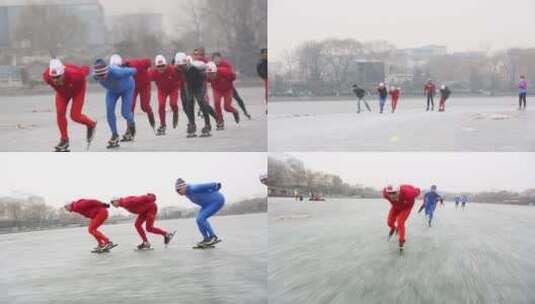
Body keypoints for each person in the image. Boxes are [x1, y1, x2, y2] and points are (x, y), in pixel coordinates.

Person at [43, 59, 97, 152]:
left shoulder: (77, 75)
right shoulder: (47, 76)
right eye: (53, 77)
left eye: (58, 77)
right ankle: (64, 140)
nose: (55, 80)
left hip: (78, 92)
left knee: (75, 116)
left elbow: (85, 70)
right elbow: (51, 77)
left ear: (63, 74)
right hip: (62, 93)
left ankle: (91, 124)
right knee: (60, 112)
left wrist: (88, 67)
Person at [93, 58, 137, 149]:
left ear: (107, 71)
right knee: (109, 110)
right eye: (99, 75)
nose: (101, 77)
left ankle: (131, 122)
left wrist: (125, 68)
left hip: (127, 88)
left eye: (103, 74)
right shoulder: (95, 75)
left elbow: (134, 70)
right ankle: (114, 135)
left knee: (125, 113)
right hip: (112, 91)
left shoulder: (117, 72)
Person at [111, 193, 175, 249]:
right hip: (143, 211)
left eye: (112, 202)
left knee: (149, 228)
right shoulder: (123, 203)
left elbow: (141, 198)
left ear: (117, 200)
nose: (112, 204)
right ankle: (146, 243)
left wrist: (152, 198)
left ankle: (167, 234)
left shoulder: (126, 202)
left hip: (151, 208)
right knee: (137, 225)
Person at [175, 178, 225, 247]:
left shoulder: (194, 188)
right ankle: (206, 239)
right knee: (198, 220)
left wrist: (216, 186)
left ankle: (213, 237)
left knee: (201, 219)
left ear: (184, 187)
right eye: (177, 191)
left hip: (216, 201)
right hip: (206, 205)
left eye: (179, 190)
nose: (178, 192)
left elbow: (210, 185)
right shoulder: (186, 193)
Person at [179, 53, 217, 137]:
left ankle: (208, 125)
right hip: (189, 85)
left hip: (199, 85)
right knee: (189, 102)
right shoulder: (180, 67)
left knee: (201, 102)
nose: (182, 68)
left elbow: (209, 72)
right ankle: (192, 124)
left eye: (184, 66)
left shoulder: (197, 67)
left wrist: (209, 73)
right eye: (181, 66)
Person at [118, 55, 156, 130]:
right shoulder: (120, 72)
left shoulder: (137, 64)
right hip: (133, 87)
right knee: (130, 107)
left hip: (145, 85)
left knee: (144, 106)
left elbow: (148, 61)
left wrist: (148, 68)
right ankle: (130, 129)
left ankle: (150, 114)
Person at [149, 55, 183, 135]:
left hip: (173, 89)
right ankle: (163, 125)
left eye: (163, 66)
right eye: (159, 66)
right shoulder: (152, 72)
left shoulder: (172, 69)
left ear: (166, 65)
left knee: (173, 103)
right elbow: (144, 80)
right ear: (156, 66)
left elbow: (181, 77)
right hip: (162, 90)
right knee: (161, 105)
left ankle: (175, 113)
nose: (161, 68)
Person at [212, 52, 251, 119]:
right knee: (217, 103)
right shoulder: (211, 66)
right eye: (214, 59)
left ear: (221, 58)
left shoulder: (226, 64)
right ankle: (220, 119)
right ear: (212, 60)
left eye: (218, 58)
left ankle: (245, 112)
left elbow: (232, 75)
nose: (216, 60)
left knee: (237, 98)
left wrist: (227, 77)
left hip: (228, 87)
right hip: (218, 88)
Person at [383, 184, 421, 251]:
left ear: (398, 191)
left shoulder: (409, 193)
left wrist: (415, 192)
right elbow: (386, 192)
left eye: (394, 193)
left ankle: (402, 240)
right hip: (396, 207)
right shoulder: (386, 194)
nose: (391, 195)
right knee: (389, 222)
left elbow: (418, 190)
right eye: (389, 193)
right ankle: (393, 228)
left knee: (400, 222)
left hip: (406, 208)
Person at [206, 61, 240, 130]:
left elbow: (233, 77)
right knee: (216, 103)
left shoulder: (225, 71)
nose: (211, 76)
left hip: (228, 89)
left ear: (216, 71)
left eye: (213, 74)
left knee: (227, 107)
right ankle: (220, 121)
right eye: (209, 74)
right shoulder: (207, 76)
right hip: (217, 90)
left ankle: (235, 112)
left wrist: (229, 83)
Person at [257, 48, 268, 113]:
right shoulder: (260, 62)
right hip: (266, 79)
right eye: (264, 53)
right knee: (266, 93)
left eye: (266, 53)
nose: (265, 54)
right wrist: (263, 77)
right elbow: (258, 71)